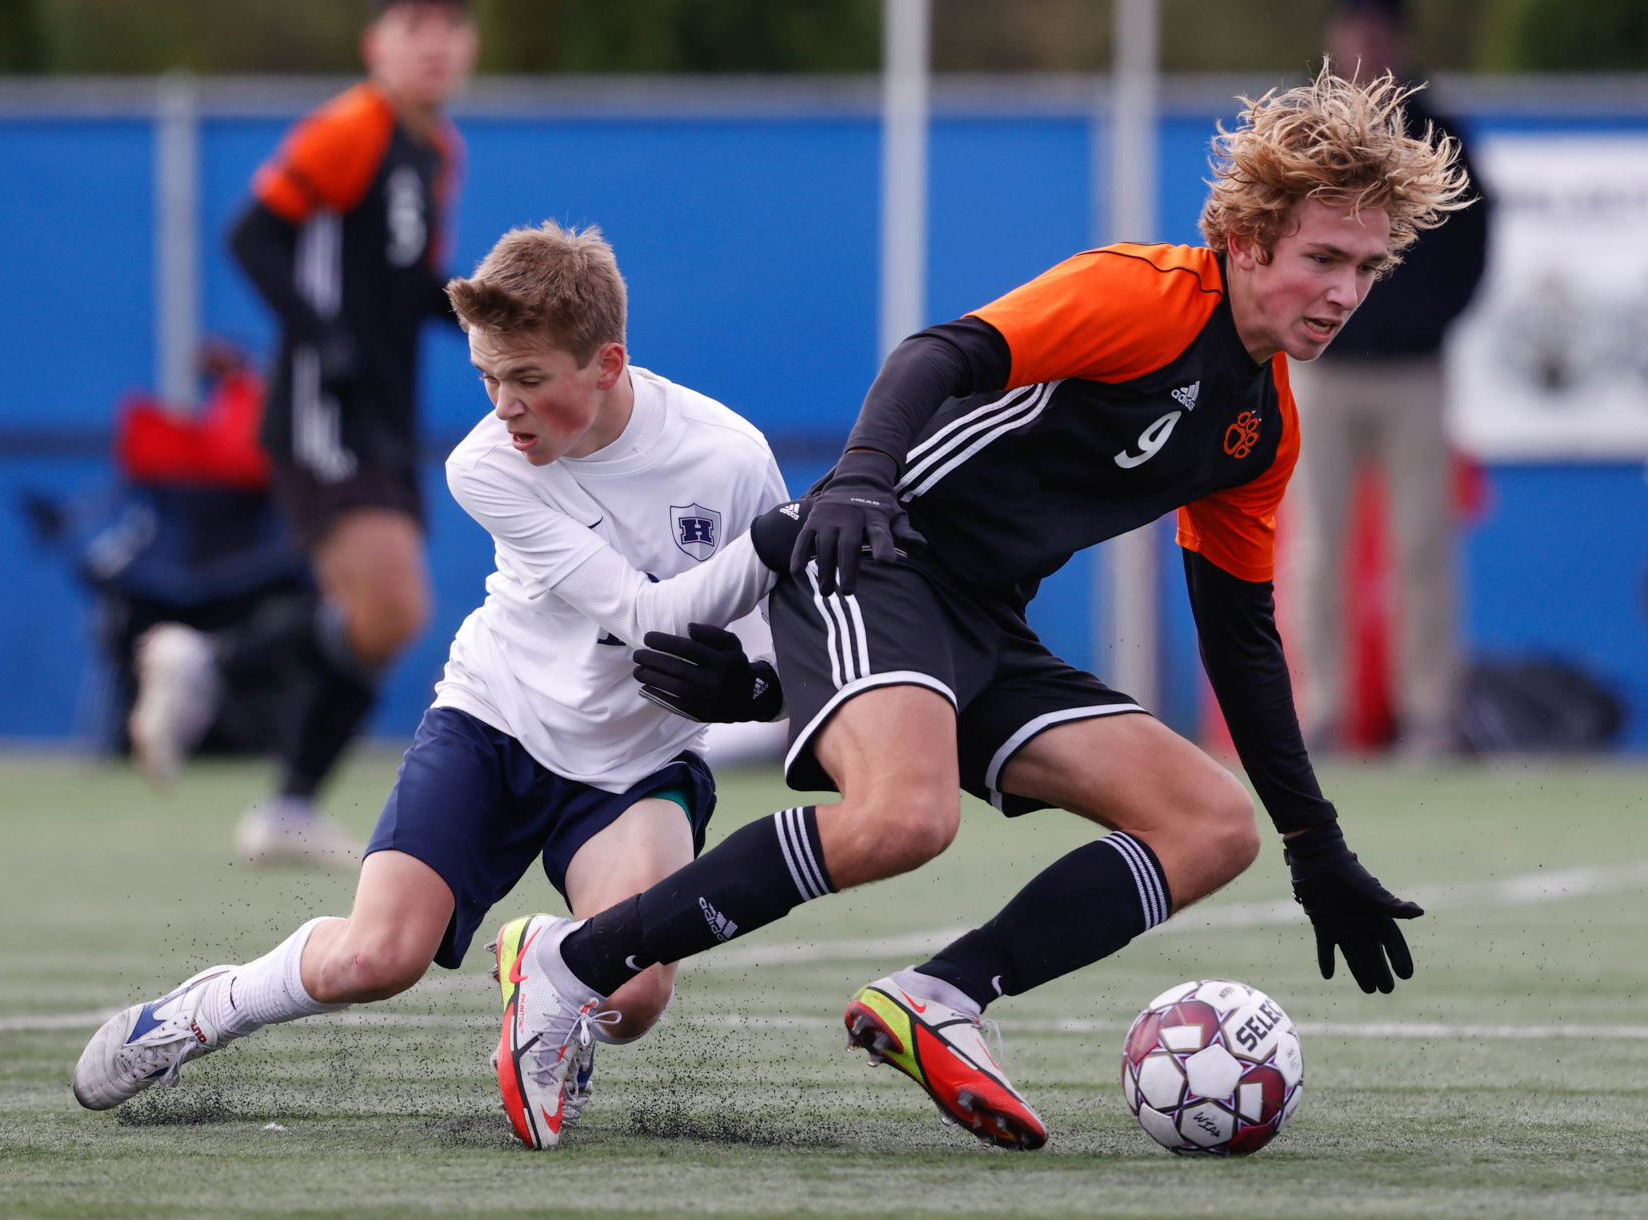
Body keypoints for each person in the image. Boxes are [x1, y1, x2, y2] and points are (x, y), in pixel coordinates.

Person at [490, 63, 1472, 1153]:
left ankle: (945, 994)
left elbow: (1239, 632)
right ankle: (573, 966)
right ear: (1248, 241)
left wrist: (1314, 841)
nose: (1342, 292)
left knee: (1213, 825)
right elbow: (940, 353)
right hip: (877, 555)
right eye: (1322, 259)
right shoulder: (1149, 293)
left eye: (1367, 268)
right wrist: (860, 479)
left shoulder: (1262, 427)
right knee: (906, 819)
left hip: (982, 622)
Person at [74, 222, 792, 1152]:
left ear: (608, 361)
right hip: (493, 725)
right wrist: (787, 533)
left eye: (528, 379)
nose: (503, 407)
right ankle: (199, 1010)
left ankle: (556, 990)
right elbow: (641, 615)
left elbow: (783, 631)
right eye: (487, 377)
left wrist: (760, 682)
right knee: (376, 958)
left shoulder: (727, 457)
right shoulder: (485, 465)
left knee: (635, 998)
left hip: (634, 763)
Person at [127, 0, 478, 865]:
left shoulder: (437, 150)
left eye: (450, 25)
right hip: (327, 406)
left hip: (386, 411)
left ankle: (281, 793)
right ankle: (206, 666)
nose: (433, 43)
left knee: (382, 621)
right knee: (395, 606)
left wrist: (482, 311)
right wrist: (323, 339)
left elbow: (401, 282)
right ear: (376, 45)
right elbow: (250, 234)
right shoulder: (350, 126)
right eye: (412, 24)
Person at [1288, 0, 1491, 757]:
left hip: (1413, 373)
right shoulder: (1301, 130)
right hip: (1324, 372)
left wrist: (1427, 321)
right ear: (1334, 39)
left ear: (1396, 42)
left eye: (1378, 30)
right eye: (1353, 28)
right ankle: (1322, 712)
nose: (1365, 44)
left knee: (1422, 548)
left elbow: (1473, 240)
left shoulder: (1439, 133)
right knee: (1315, 550)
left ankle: (1429, 717)